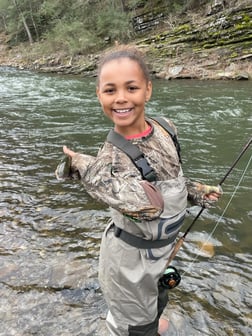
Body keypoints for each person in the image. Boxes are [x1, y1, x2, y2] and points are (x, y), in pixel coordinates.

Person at [55, 45, 222, 336]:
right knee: (133, 325)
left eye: (131, 87)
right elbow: (146, 207)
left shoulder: (166, 128)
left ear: (148, 90)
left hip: (161, 250)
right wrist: (81, 166)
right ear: (99, 95)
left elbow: (169, 179)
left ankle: (151, 324)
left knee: (158, 296)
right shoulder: (110, 159)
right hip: (129, 260)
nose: (121, 98)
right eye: (110, 90)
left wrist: (195, 193)